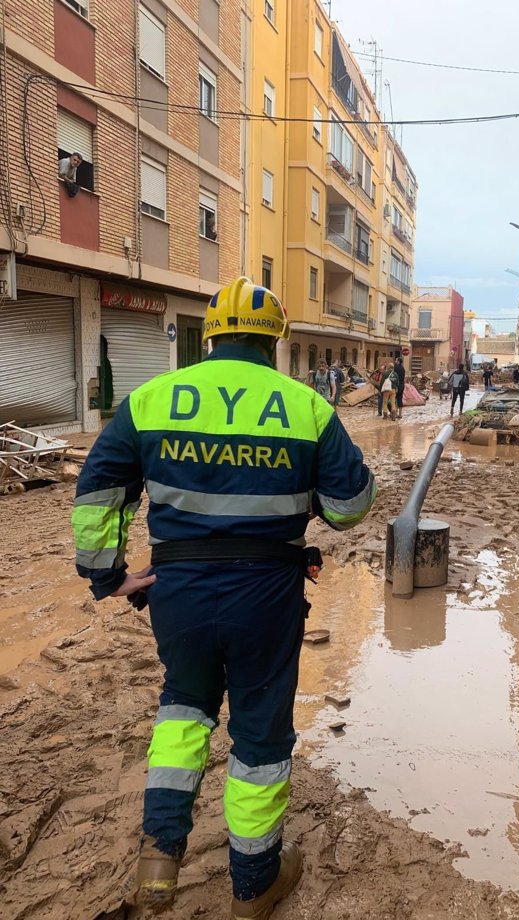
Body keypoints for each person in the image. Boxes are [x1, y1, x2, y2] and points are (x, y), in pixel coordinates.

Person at [71, 277, 377, 918]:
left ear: (209, 336)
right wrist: (307, 498)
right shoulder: (306, 407)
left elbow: (98, 492)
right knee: (260, 735)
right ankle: (254, 885)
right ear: (275, 340)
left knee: (183, 709)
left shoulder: (151, 399)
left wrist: (108, 578)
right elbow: (352, 507)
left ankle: (158, 864)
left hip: (176, 592)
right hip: (267, 594)